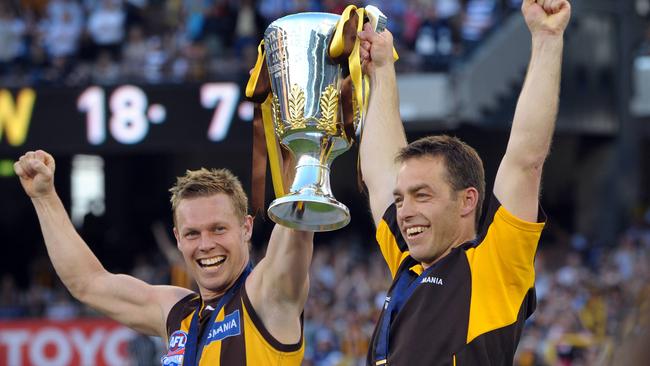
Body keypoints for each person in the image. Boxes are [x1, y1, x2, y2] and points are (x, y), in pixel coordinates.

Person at [357, 0, 571, 364]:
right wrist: (381, 68)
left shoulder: (493, 265)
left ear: (467, 200)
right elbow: (379, 174)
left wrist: (547, 38)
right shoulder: (408, 263)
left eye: (421, 195)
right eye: (402, 198)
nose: (404, 211)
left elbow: (525, 160)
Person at [14, 152, 312, 365]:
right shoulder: (177, 312)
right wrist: (44, 197)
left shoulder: (266, 296)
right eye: (192, 233)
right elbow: (88, 283)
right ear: (178, 238)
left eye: (218, 229)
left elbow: (295, 232)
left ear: (246, 227)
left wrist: (309, 152)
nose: (206, 244)